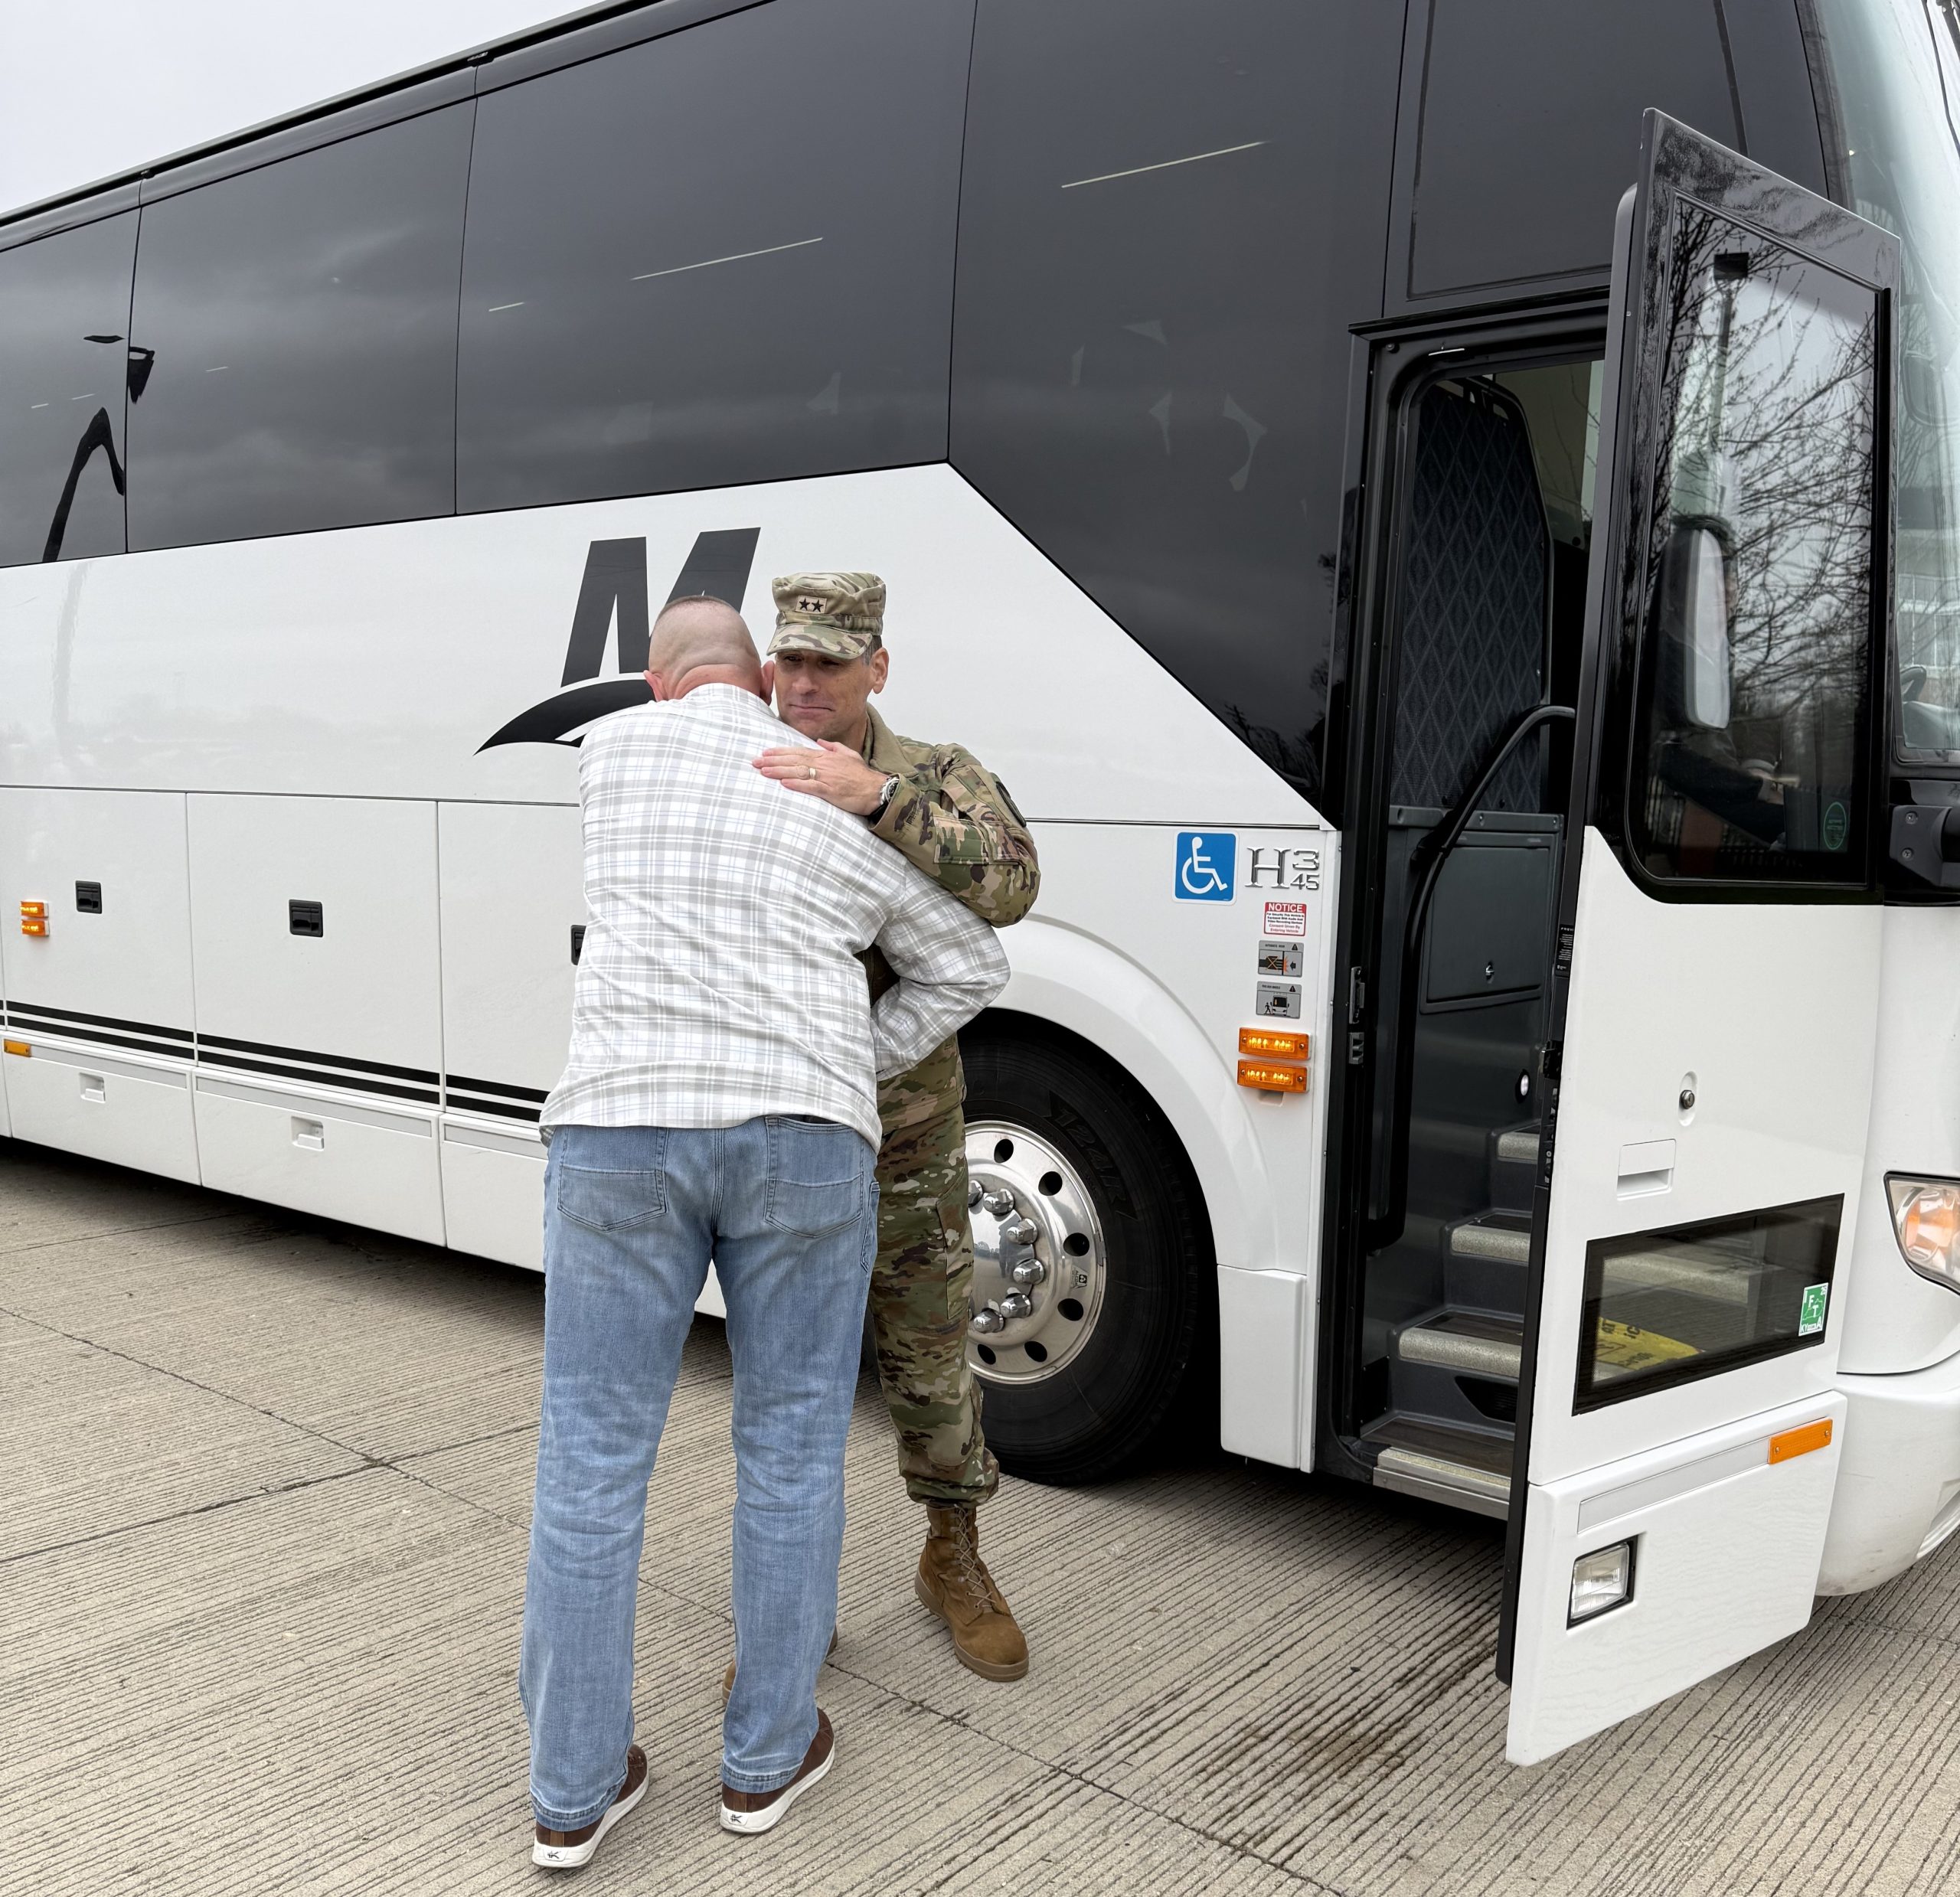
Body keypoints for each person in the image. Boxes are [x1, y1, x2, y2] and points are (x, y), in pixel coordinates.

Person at [521, 596, 1008, 1870]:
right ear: (760, 678)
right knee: (790, 1449)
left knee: (590, 1464)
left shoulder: (609, 753)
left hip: (621, 1130)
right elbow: (970, 963)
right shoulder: (834, 793)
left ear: (658, 682)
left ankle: (572, 1789)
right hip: (804, 1140)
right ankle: (765, 1757)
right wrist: (851, 1058)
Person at [752, 572, 1040, 1682]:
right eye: (791, 660)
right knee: (793, 1366)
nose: (806, 682)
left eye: (830, 662)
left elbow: (1012, 886)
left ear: (876, 667)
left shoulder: (933, 773)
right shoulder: (740, 764)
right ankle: (792, 1598)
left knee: (929, 1347)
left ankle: (951, 1553)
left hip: (906, 1125)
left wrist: (876, 799)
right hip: (785, 1123)